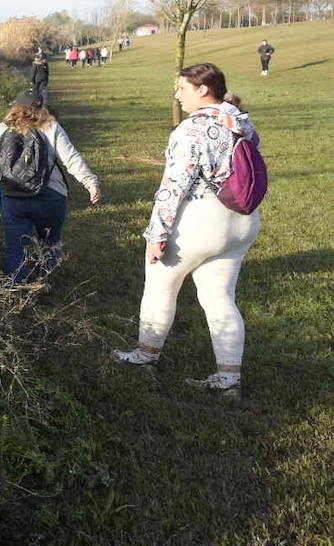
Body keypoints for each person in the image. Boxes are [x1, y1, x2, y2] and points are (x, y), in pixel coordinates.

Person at [111, 63, 261, 394]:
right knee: (220, 297)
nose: (177, 95)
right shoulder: (241, 124)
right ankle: (228, 379)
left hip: (202, 220)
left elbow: (174, 186)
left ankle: (145, 356)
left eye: (182, 88)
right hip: (242, 220)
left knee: (160, 285)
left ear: (202, 90)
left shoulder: (190, 131)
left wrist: (157, 234)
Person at [0, 90, 101, 285]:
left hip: (13, 199)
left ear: (15, 107)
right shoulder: (51, 127)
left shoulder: (1, 129)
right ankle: (47, 284)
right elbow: (71, 158)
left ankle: (16, 292)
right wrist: (91, 183)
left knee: (15, 250)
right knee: (50, 244)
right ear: (41, 107)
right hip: (51, 199)